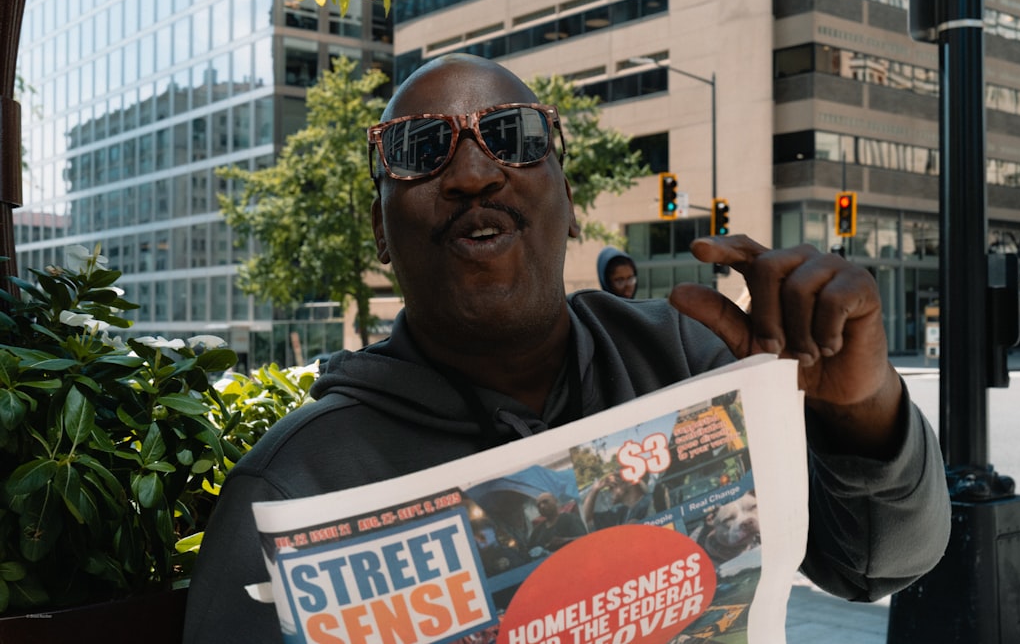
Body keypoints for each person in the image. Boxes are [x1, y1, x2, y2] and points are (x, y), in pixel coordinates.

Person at [183, 53, 950, 643]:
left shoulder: (687, 363)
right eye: (421, 150)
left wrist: (864, 411)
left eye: (512, 138)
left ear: (572, 203)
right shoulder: (288, 490)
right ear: (380, 231)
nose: (475, 173)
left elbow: (875, 562)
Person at [582, 471, 651, 530]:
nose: (609, 490)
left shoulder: (649, 501)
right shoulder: (621, 511)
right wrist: (595, 489)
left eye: (612, 486)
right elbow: (586, 519)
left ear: (630, 482)